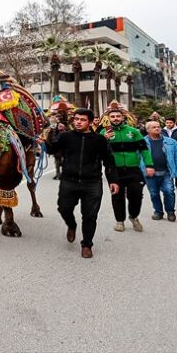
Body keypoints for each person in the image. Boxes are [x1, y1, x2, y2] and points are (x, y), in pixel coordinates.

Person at [43, 108, 118, 259]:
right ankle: (71, 225)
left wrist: (113, 180)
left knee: (90, 216)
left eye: (82, 120)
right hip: (69, 181)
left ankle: (87, 245)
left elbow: (109, 162)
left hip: (92, 183)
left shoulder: (100, 140)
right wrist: (46, 139)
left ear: (90, 122)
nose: (78, 122)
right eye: (76, 119)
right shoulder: (66, 136)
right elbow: (52, 149)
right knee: (64, 208)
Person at [102, 105, 153, 233]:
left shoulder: (133, 132)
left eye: (118, 116)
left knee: (136, 194)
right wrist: (104, 140)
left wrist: (149, 165)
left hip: (133, 169)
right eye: (112, 116)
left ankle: (134, 216)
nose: (115, 118)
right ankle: (120, 221)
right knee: (117, 196)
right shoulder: (103, 133)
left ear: (123, 117)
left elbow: (144, 150)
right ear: (108, 118)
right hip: (114, 171)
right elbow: (97, 152)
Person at [143, 121, 177, 222]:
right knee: (154, 193)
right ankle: (158, 211)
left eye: (158, 127)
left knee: (169, 191)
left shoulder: (171, 142)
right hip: (150, 174)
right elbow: (138, 158)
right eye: (154, 127)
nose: (157, 128)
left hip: (166, 173)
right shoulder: (142, 142)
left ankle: (170, 212)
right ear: (148, 130)